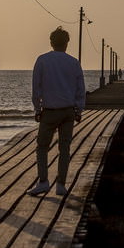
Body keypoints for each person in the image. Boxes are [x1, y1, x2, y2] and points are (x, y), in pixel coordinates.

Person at [29, 26, 86, 197]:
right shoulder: (74, 62)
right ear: (67, 43)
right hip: (68, 111)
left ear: (51, 42)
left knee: (42, 147)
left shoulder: (42, 60)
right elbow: (80, 89)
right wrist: (79, 109)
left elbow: (36, 88)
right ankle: (61, 184)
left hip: (49, 111)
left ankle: (43, 181)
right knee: (65, 148)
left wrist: (37, 109)